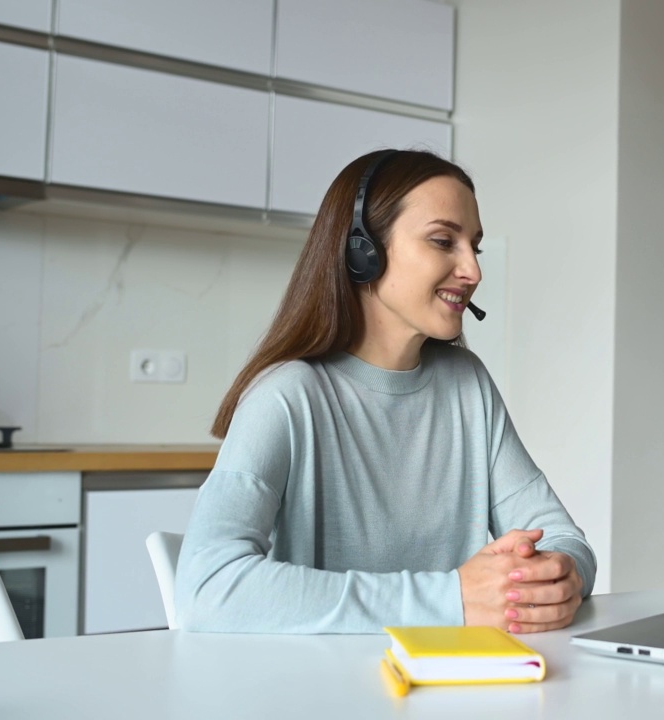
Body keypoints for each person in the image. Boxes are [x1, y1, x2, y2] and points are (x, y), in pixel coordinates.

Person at [174, 149, 596, 634]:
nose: (473, 272)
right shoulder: (286, 396)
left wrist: (558, 577)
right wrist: (451, 598)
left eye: (474, 247)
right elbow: (206, 587)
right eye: (443, 241)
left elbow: (564, 537)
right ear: (362, 251)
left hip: (448, 691)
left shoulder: (467, 385)